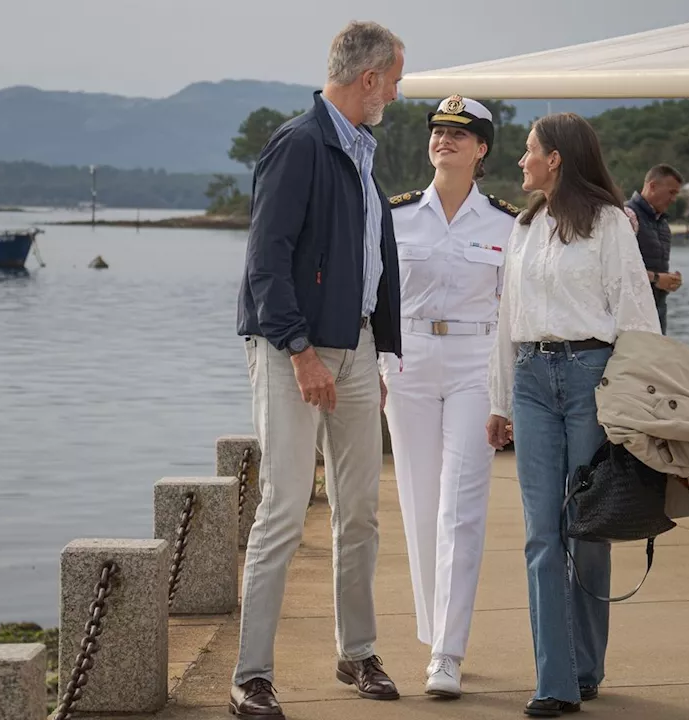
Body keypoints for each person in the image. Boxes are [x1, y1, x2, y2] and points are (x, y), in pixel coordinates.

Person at [232, 20, 405, 720]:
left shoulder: (360, 152)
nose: (394, 93)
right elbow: (266, 261)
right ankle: (251, 677)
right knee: (281, 509)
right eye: (393, 80)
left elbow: (371, 263)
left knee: (359, 511)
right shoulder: (300, 144)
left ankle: (357, 654)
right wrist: (301, 351)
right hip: (292, 350)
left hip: (356, 349)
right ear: (368, 79)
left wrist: (376, 351)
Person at [485, 113, 660, 717]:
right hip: (532, 379)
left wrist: (637, 406)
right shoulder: (524, 226)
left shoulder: (611, 223)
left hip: (592, 378)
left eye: (529, 150)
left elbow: (637, 312)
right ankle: (554, 680)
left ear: (556, 157)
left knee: (587, 526)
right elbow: (508, 318)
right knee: (541, 533)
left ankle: (586, 667)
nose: (521, 160)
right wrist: (498, 401)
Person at [381, 94, 518, 699]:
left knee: (461, 509)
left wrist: (505, 395)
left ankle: (447, 652)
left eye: (459, 134)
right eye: (438, 131)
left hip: (474, 363)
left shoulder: (507, 225)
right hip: (406, 362)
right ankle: (435, 626)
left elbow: (514, 315)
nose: (444, 140)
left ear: (482, 148)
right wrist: (380, 365)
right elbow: (374, 299)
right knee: (418, 502)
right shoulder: (395, 216)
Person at [627, 164, 684, 333]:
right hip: (632, 312)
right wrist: (658, 279)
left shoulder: (663, 224)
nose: (674, 199)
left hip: (657, 308)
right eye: (671, 192)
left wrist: (669, 281)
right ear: (652, 186)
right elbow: (617, 269)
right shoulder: (627, 216)